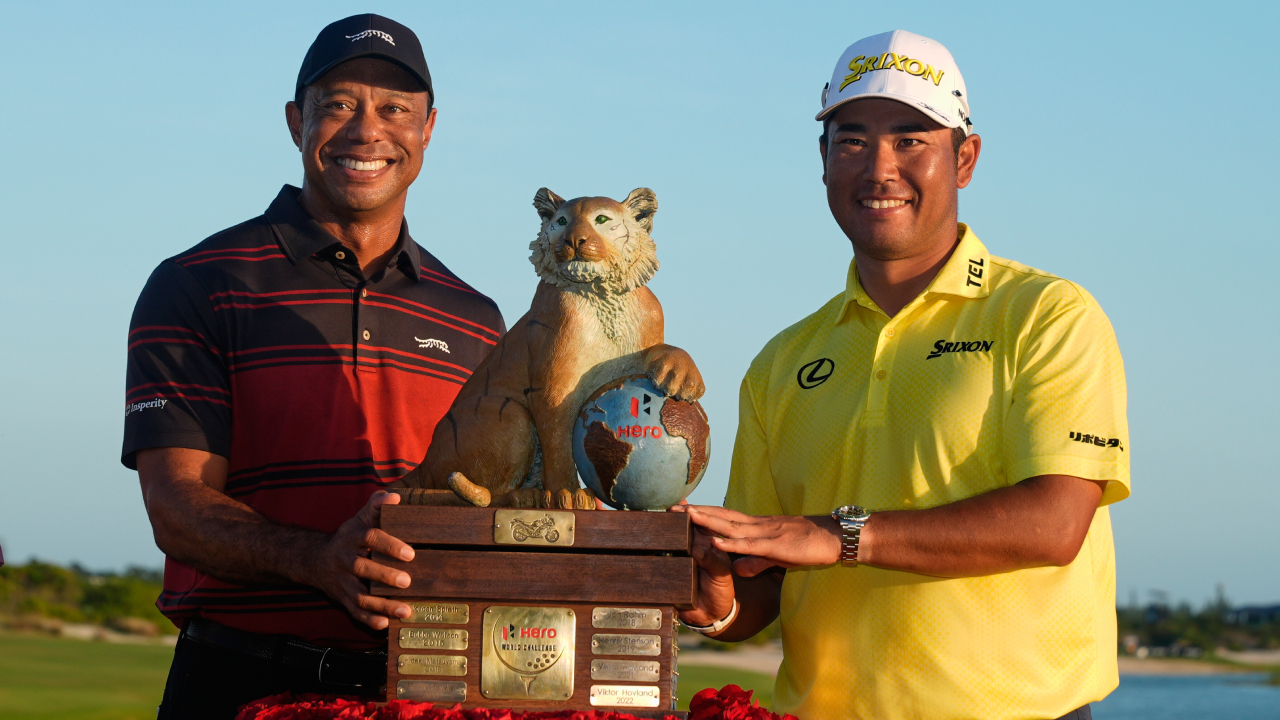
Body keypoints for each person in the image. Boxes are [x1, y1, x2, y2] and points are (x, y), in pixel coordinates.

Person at [675, 30, 1128, 720]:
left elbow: (1056, 522)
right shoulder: (783, 359)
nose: (879, 168)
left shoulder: (1047, 314)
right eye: (852, 141)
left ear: (965, 158)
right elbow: (763, 581)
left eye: (911, 139)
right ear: (823, 162)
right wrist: (714, 607)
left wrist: (842, 534)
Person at [122, 14, 504, 719]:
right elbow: (175, 508)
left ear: (428, 130)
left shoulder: (474, 318)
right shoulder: (198, 283)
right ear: (297, 121)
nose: (367, 130)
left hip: (424, 689)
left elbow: (499, 511)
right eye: (338, 105)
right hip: (237, 681)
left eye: (395, 109)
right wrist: (318, 560)